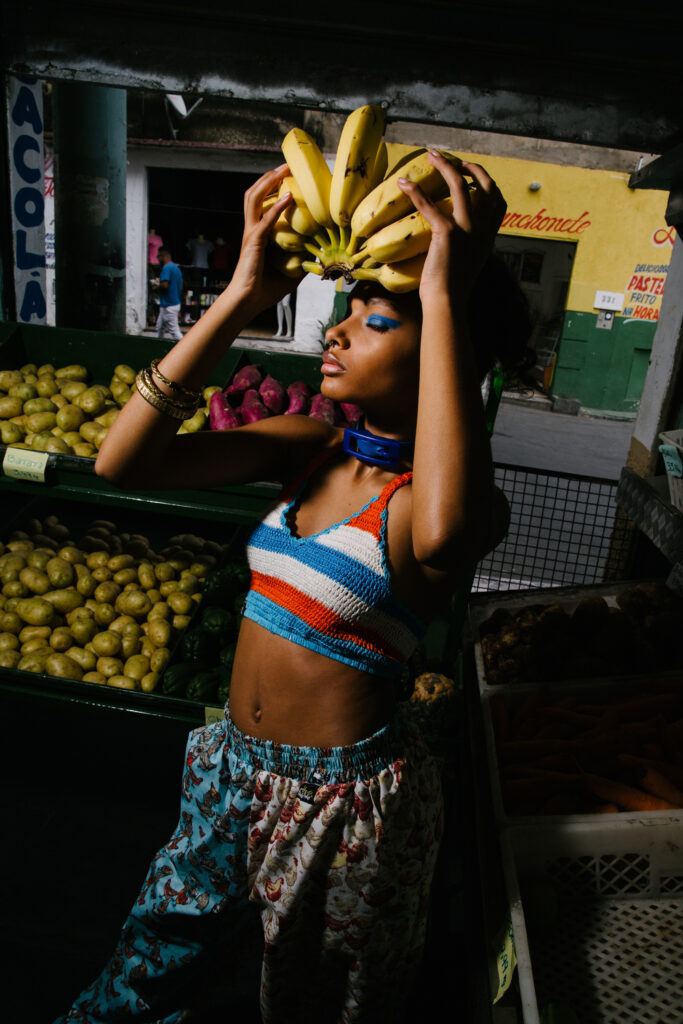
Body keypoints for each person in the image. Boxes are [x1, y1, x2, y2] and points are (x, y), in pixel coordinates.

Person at [56, 150, 529, 1024]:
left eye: (378, 321)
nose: (338, 332)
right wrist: (239, 295)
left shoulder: (438, 506)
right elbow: (120, 461)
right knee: (145, 970)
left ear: (446, 340)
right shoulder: (303, 443)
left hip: (347, 813)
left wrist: (446, 294)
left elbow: (448, 533)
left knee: (320, 1010)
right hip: (229, 772)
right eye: (345, 312)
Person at [155, 247, 184, 342]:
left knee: (174, 332)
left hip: (169, 305)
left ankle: (187, 348)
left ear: (163, 256)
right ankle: (157, 345)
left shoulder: (166, 268)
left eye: (158, 256)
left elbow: (164, 285)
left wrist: (155, 287)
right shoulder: (176, 268)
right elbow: (180, 287)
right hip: (171, 303)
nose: (158, 259)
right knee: (160, 327)